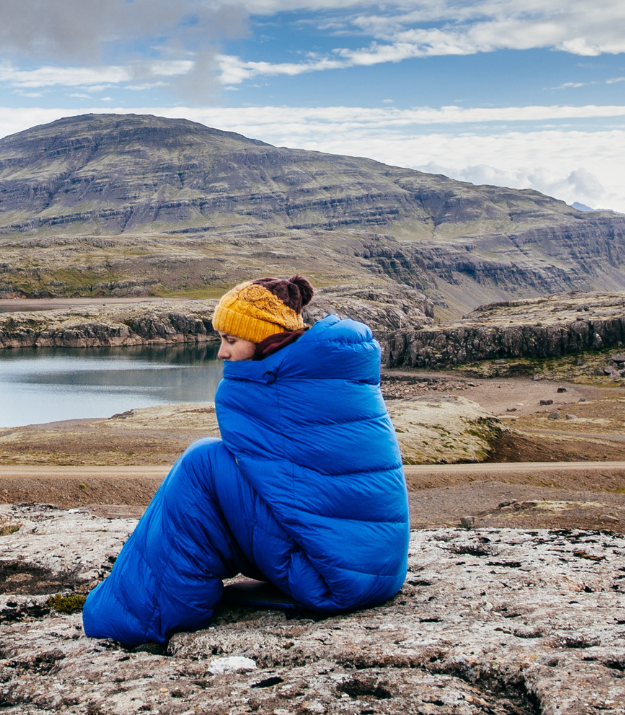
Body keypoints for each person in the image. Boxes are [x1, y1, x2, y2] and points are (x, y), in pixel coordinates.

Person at [81, 274, 410, 647]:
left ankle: (140, 620)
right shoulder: (321, 370)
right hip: (374, 567)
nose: (222, 353)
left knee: (202, 465)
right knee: (214, 465)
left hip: (335, 578)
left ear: (266, 339)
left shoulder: (283, 382)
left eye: (231, 340)